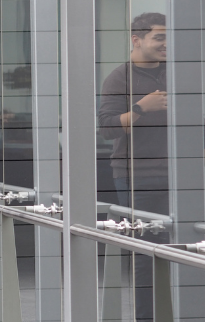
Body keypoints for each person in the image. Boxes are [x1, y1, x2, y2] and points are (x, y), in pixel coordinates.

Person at [97, 12, 167, 321]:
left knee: (188, 246)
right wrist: (141, 108)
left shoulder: (178, 72)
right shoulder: (119, 78)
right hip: (137, 177)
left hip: (180, 176)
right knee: (144, 252)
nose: (167, 44)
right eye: (160, 38)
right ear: (136, 40)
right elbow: (107, 128)